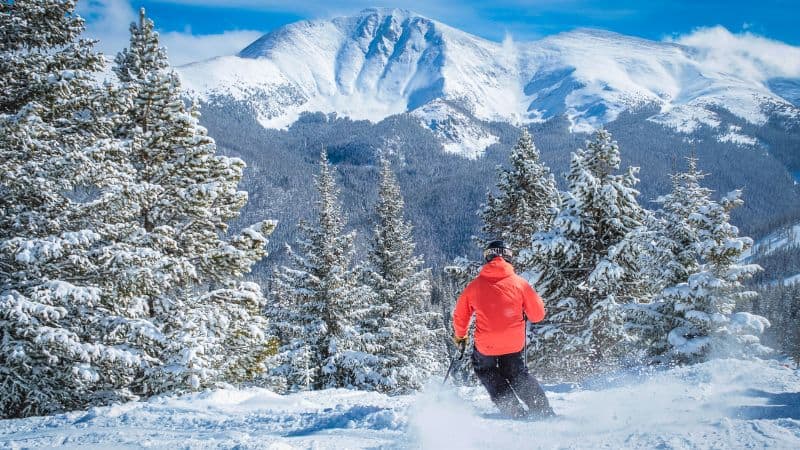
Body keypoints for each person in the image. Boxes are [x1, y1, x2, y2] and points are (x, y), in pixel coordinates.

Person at [452, 240, 555, 419]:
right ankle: (542, 410)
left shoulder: (474, 286)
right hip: (513, 342)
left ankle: (514, 410)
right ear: (508, 257)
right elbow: (538, 315)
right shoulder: (520, 284)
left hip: (487, 345)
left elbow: (461, 316)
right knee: (516, 373)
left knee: (486, 370)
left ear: (488, 258)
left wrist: (461, 337)